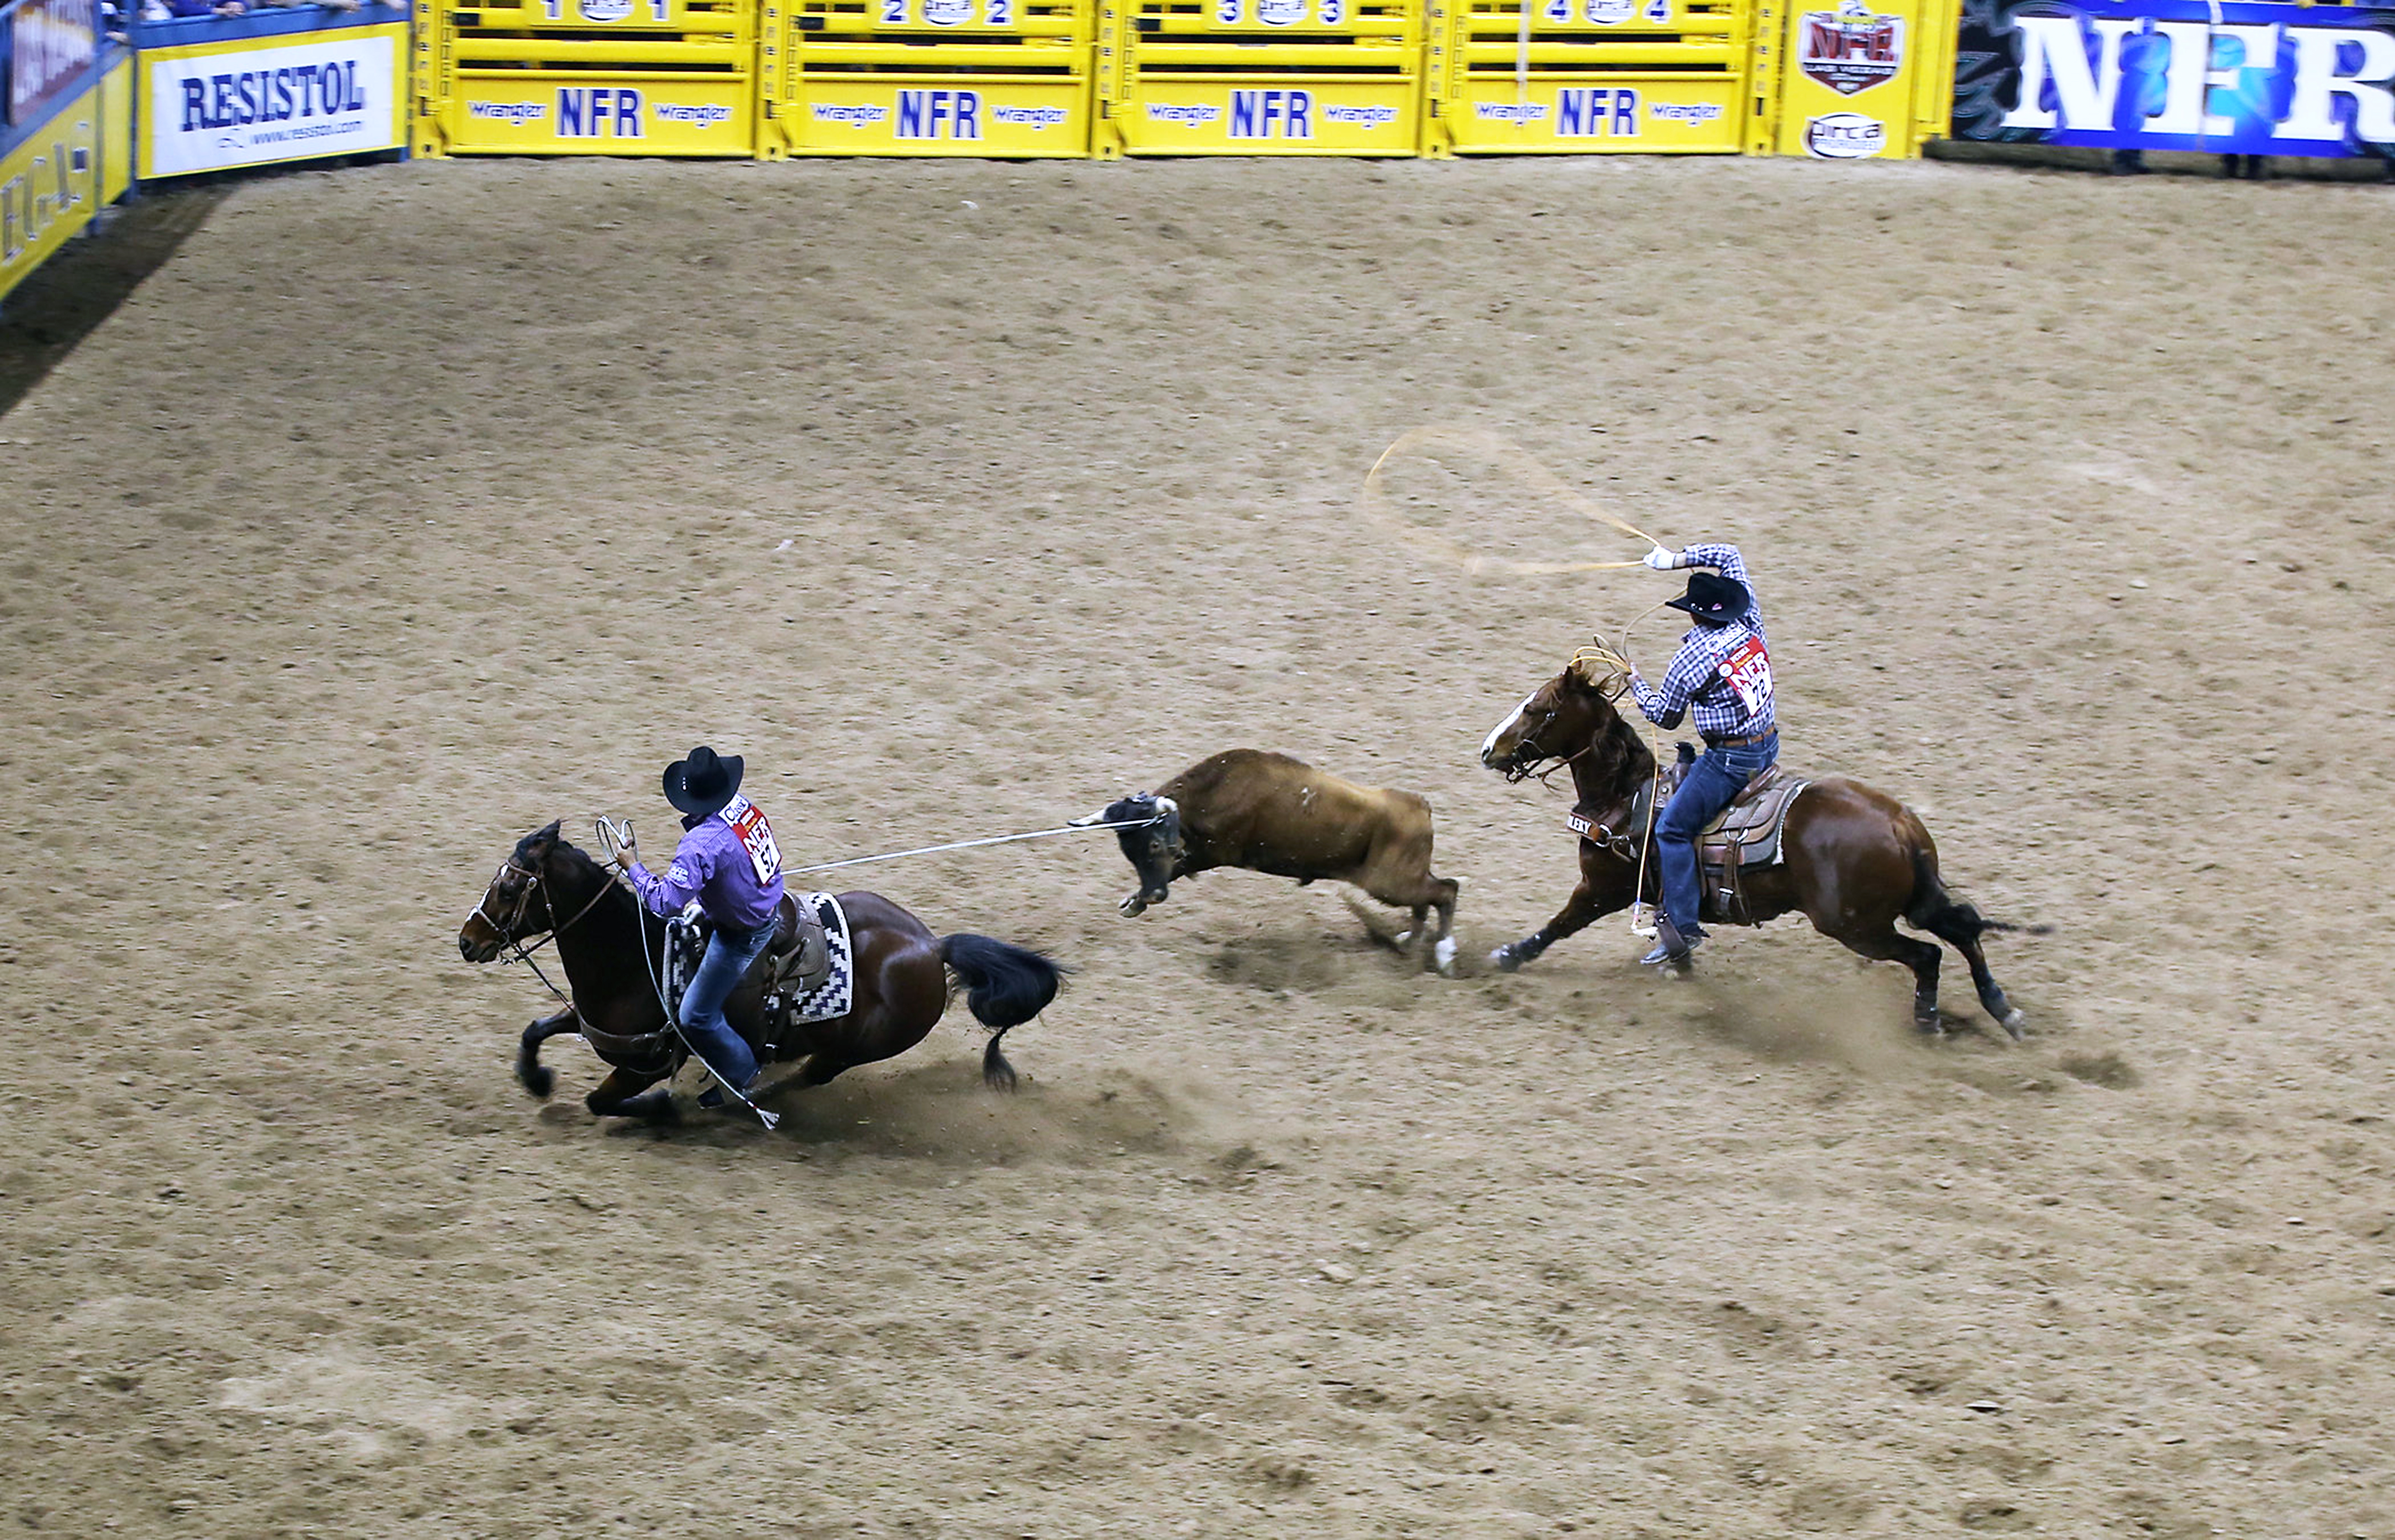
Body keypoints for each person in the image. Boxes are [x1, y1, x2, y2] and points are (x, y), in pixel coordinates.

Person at [1626, 543, 1778, 967]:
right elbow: (1730, 554)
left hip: (1730, 763)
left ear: (1694, 615)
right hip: (1767, 744)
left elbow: (1664, 716)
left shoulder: (1692, 657)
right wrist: (1675, 558)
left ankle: (1682, 927)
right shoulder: (1749, 622)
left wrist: (1635, 682)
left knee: (1672, 829)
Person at [612, 745, 785, 1106]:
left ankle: (743, 1076)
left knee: (695, 1016)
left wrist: (633, 867)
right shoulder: (742, 806)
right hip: (766, 899)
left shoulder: (699, 846)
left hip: (744, 932)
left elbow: (666, 904)